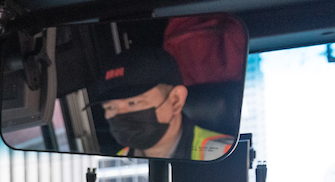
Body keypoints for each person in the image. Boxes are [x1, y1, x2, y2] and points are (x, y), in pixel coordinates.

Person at [89, 48, 233, 160]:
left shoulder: (226, 155)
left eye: (133, 102)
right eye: (110, 107)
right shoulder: (116, 163)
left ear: (175, 100)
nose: (120, 115)